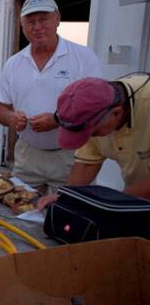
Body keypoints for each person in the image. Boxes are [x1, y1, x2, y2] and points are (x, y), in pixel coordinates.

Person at [0, 0, 102, 192]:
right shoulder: (13, 63)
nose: (37, 26)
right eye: (30, 21)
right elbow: (0, 109)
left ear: (57, 19)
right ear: (22, 25)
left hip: (71, 156)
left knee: (66, 216)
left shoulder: (83, 57)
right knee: (18, 212)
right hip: (27, 156)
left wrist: (57, 119)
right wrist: (10, 117)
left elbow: (99, 108)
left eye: (43, 19)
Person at [37, 74, 150, 208]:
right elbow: (87, 164)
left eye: (92, 133)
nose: (88, 138)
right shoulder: (93, 108)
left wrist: (114, 205)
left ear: (117, 113)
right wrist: (65, 197)